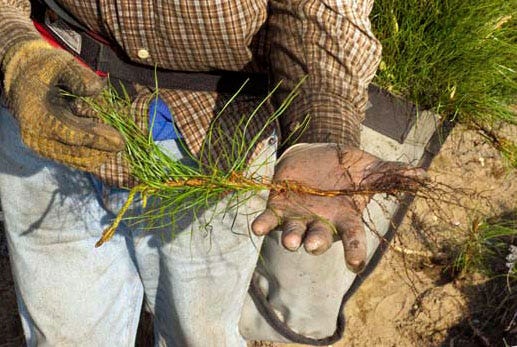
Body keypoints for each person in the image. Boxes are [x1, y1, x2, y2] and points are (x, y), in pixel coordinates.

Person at [0, 0, 423, 345]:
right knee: (65, 332)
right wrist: (15, 48)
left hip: (215, 137)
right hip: (44, 101)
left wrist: (320, 128)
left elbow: (321, 11)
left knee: (198, 330)